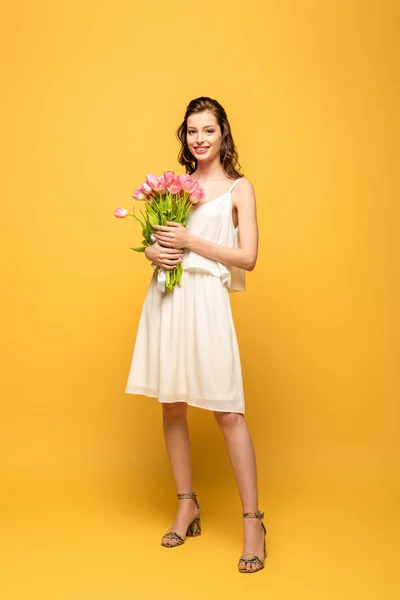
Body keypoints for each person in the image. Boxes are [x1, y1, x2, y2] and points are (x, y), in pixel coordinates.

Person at [125, 96, 266, 573]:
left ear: (223, 132)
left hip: (206, 299)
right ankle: (187, 504)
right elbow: (156, 240)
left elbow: (247, 257)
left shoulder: (238, 188)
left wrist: (192, 243)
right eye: (192, 131)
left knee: (228, 411)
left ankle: (252, 521)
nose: (199, 139)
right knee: (172, 405)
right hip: (168, 297)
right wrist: (154, 254)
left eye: (208, 129)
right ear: (184, 137)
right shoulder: (177, 185)